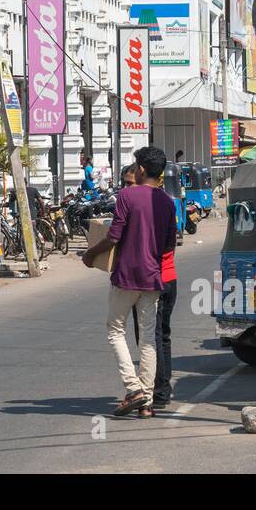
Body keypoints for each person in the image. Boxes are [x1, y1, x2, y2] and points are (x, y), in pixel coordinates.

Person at [82, 145, 174, 418]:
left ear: (142, 169)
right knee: (148, 339)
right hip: (152, 277)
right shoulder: (167, 202)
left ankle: (133, 388)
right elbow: (169, 244)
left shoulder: (127, 195)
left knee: (115, 329)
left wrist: (90, 253)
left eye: (135, 165)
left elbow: (114, 236)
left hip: (126, 275)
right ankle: (145, 401)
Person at [140, 166, 180, 405]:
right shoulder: (167, 203)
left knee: (153, 336)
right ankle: (162, 388)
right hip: (169, 276)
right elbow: (170, 244)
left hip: (154, 278)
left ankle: (159, 390)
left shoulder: (148, 206)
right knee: (162, 335)